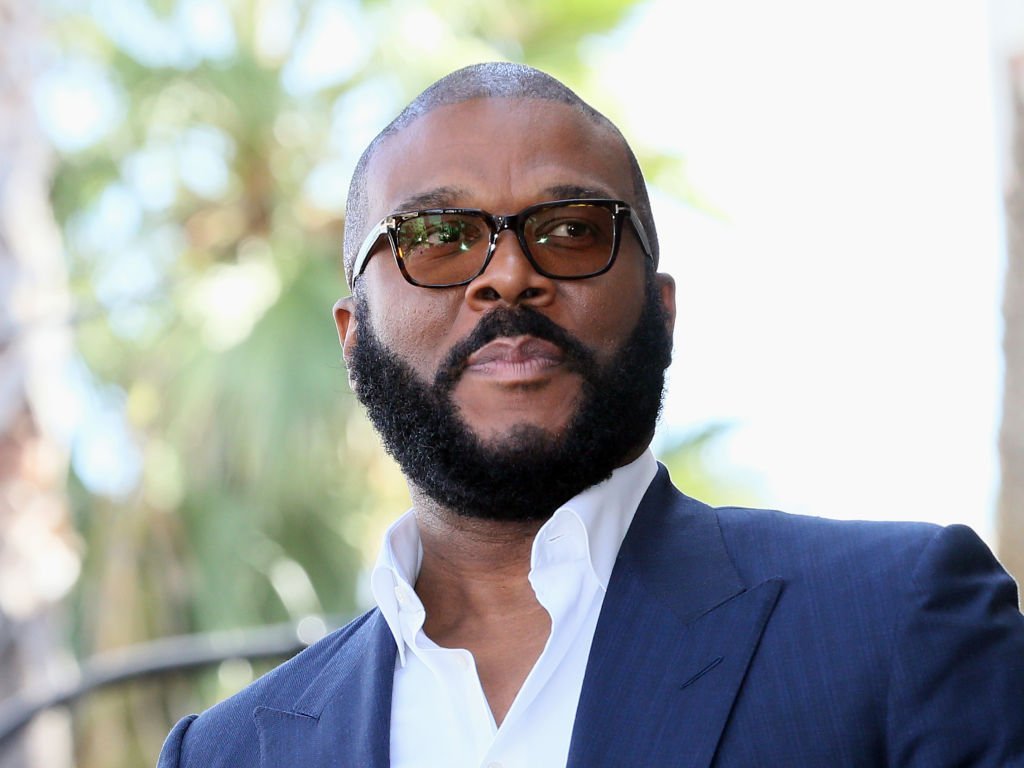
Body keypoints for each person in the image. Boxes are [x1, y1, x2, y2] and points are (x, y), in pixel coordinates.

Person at [158, 62, 1024, 767]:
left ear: (662, 310)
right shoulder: (229, 751)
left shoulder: (895, 618)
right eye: (438, 237)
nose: (507, 275)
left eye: (572, 229)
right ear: (353, 337)